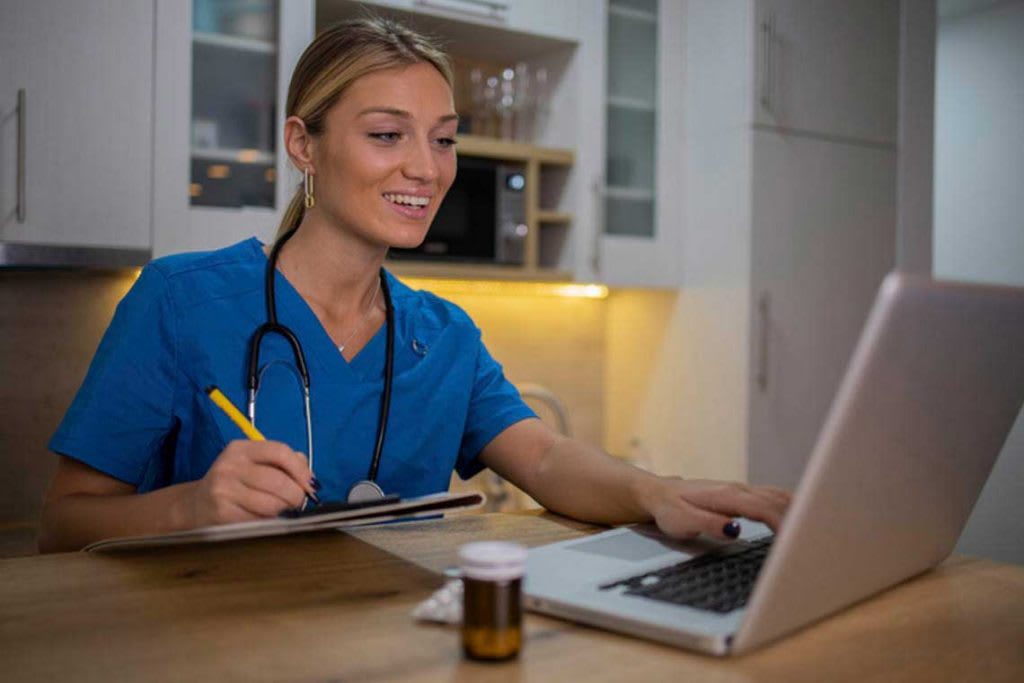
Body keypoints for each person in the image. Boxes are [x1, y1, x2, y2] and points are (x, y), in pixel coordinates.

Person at [38, 17, 789, 553]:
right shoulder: (178, 300)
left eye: (443, 137)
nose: (427, 169)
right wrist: (192, 507)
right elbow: (64, 523)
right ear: (304, 143)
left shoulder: (444, 334)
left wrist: (656, 492)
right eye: (387, 135)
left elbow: (547, 460)